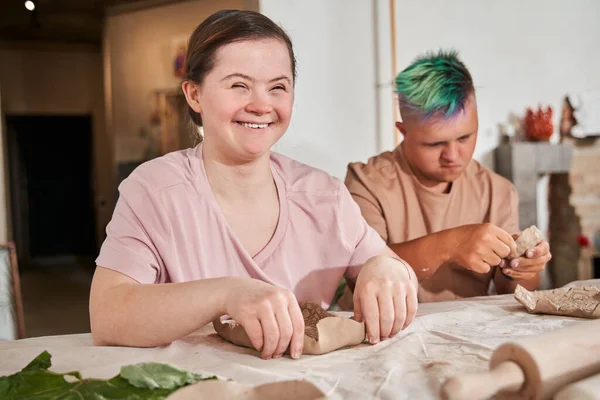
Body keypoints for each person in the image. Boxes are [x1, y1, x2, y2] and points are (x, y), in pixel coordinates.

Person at [89, 9, 418, 360]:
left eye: (278, 87)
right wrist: (225, 295)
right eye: (239, 85)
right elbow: (108, 316)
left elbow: (396, 273)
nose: (261, 105)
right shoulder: (155, 190)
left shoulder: (324, 196)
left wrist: (387, 269)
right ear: (194, 95)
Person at [344, 50, 551, 303]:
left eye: (465, 137)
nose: (453, 155)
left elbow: (511, 290)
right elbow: (363, 270)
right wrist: (450, 245)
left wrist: (521, 267)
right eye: (434, 144)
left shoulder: (497, 191)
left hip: (465, 331)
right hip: (383, 331)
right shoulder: (367, 182)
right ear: (403, 131)